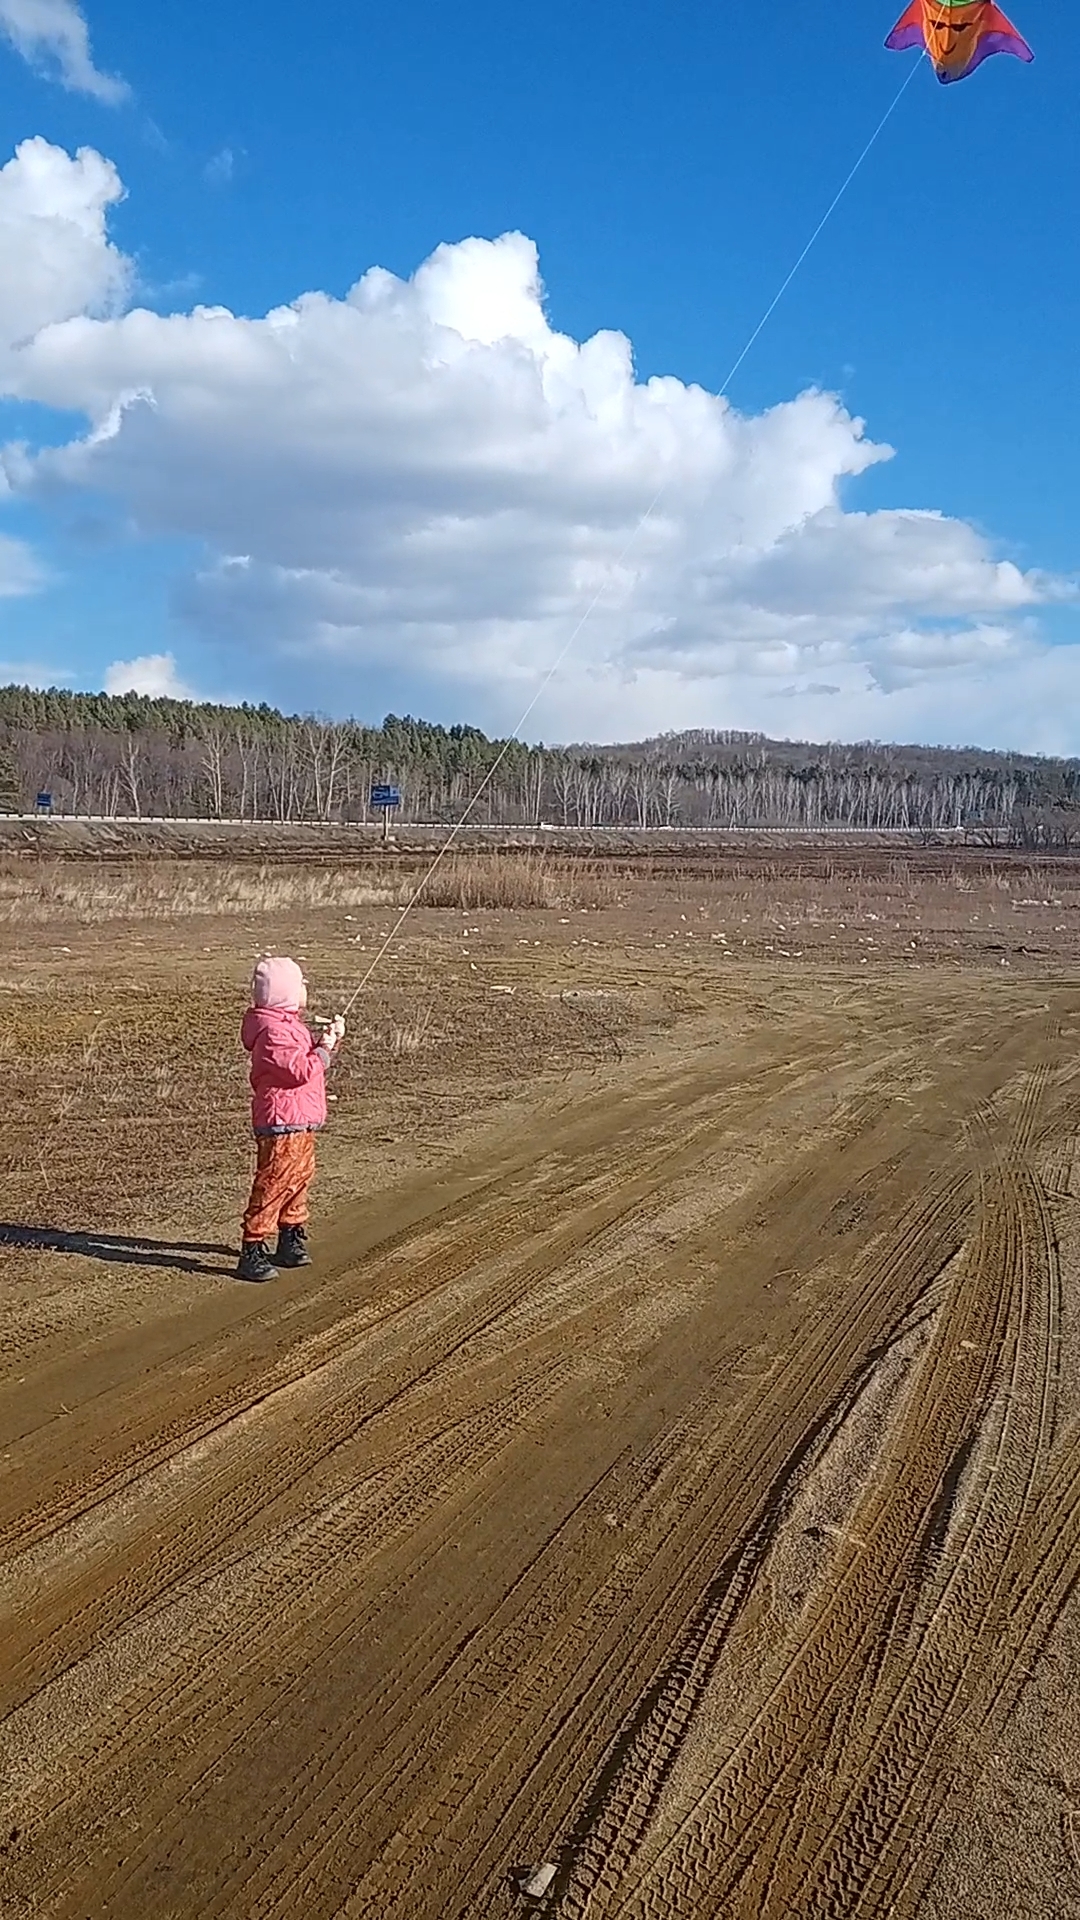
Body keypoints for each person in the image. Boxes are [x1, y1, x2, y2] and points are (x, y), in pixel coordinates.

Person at [237, 955, 345, 1282]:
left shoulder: (289, 1026)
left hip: (301, 1120)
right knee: (274, 1182)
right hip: (281, 1122)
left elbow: (309, 1061)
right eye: (300, 985)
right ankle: (253, 1247)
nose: (304, 991)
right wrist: (324, 1048)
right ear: (285, 993)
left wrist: (330, 1042)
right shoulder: (272, 1032)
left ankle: (290, 1236)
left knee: (298, 1180)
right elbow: (301, 1070)